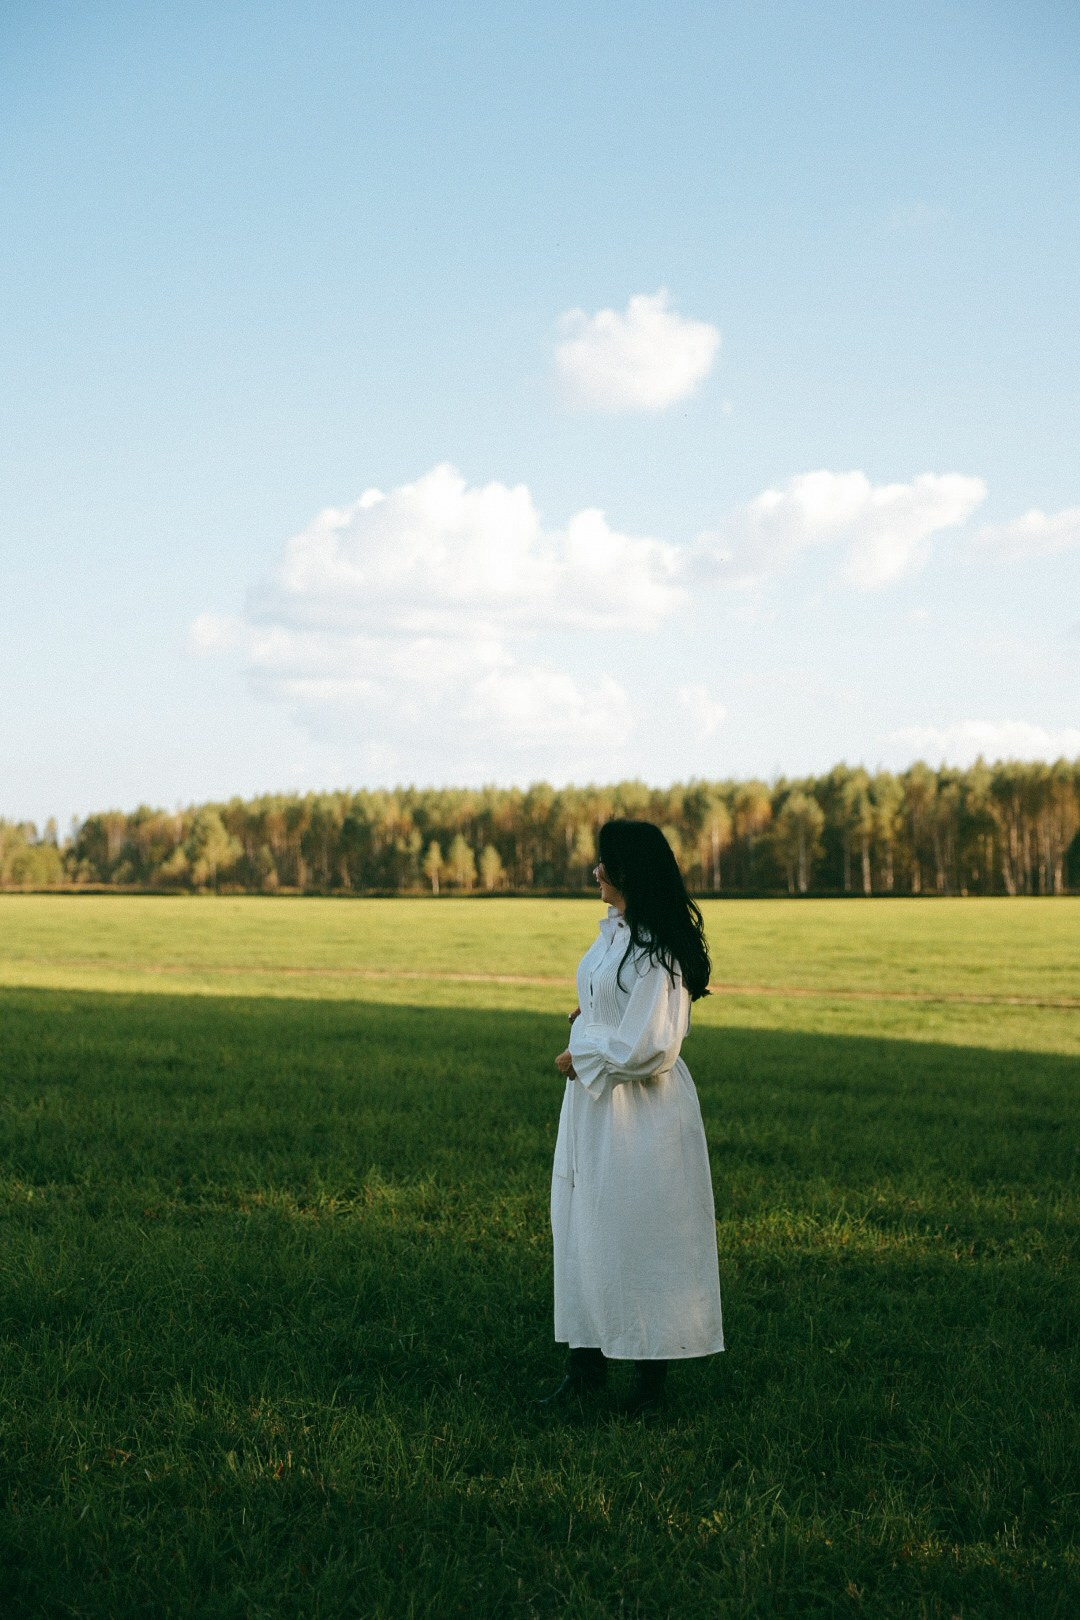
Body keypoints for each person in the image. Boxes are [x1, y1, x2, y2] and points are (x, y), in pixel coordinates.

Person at [541, 818, 724, 1417]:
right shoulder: (614, 933)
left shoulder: (657, 950)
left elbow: (651, 1046)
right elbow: (614, 1008)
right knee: (585, 1228)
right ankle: (586, 1367)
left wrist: (582, 1051)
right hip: (594, 1111)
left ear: (627, 872)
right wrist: (588, 1013)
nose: (595, 872)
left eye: (604, 864)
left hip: (640, 1116)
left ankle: (651, 1389)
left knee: (644, 1236)